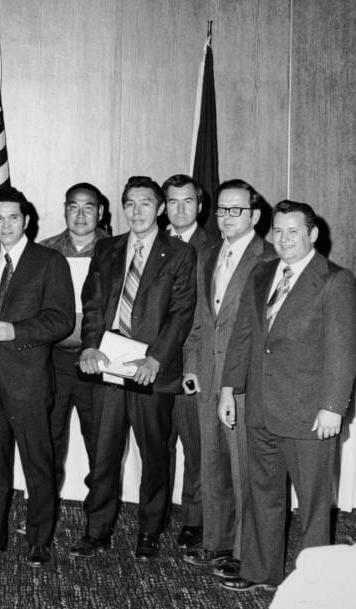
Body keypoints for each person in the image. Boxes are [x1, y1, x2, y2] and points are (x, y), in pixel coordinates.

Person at [217, 200, 356, 592]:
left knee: (313, 506)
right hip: (261, 408)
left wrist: (333, 406)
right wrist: (230, 388)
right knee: (262, 495)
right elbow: (243, 335)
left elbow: (343, 350)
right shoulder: (262, 274)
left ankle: (313, 585)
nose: (283, 239)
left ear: (313, 234)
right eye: (277, 231)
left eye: (293, 231)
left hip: (310, 414)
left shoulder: (334, 280)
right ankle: (262, 572)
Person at [77, 176, 196, 561]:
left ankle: (149, 531)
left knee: (154, 456)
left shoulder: (179, 254)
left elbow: (180, 313)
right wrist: (91, 346)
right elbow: (93, 304)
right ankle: (97, 530)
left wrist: (155, 359)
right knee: (103, 454)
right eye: (129, 203)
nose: (136, 211)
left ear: (160, 208)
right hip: (109, 370)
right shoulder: (107, 248)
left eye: (145, 203)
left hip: (149, 371)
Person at [0, 187, 74, 568]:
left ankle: (40, 539)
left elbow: (61, 320)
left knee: (38, 464)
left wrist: (16, 330)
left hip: (30, 379)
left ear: (27, 221)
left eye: (13, 217)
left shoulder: (49, 261)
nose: (5, 225)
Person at [181, 180, 276, 573]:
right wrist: (190, 365)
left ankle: (243, 551)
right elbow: (201, 319)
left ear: (255, 215)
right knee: (212, 463)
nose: (225, 217)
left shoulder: (268, 258)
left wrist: (242, 381)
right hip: (206, 374)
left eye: (235, 210)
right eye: (221, 209)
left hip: (243, 381)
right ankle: (215, 540)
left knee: (244, 469)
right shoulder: (208, 254)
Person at [40, 182, 109, 498]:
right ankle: (44, 506)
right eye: (74, 206)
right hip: (53, 358)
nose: (80, 214)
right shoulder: (44, 251)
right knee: (49, 434)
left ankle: (98, 515)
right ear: (65, 209)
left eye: (88, 207)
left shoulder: (115, 250)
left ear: (101, 211)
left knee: (99, 437)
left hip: (98, 359)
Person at [162, 173, 213, 550]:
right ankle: (156, 512)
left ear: (199, 205)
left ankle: (193, 519)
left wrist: (192, 364)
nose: (181, 209)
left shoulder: (210, 248)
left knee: (194, 447)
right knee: (156, 443)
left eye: (188, 202)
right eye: (173, 202)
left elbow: (205, 315)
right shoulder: (150, 241)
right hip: (148, 363)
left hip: (188, 364)